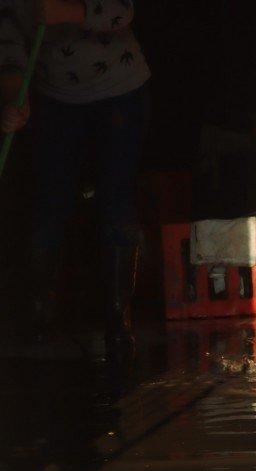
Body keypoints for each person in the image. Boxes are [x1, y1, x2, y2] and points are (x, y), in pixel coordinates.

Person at [0, 0, 150, 350]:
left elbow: (123, 9)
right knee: (50, 202)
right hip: (57, 98)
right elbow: (8, 49)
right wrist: (13, 102)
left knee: (115, 198)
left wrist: (70, 12)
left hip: (120, 91)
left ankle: (118, 319)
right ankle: (39, 321)